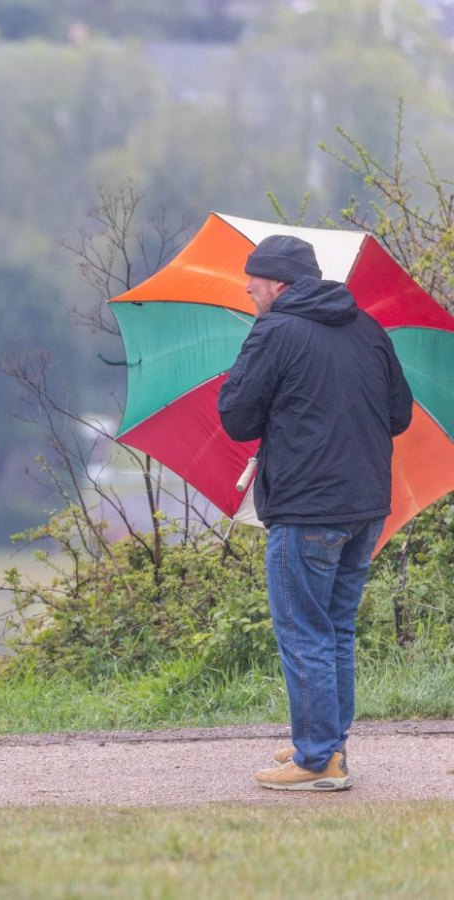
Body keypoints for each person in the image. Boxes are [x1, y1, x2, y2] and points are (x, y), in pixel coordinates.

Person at [218, 234, 413, 792]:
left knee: (304, 632)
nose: (248, 286)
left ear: (278, 282)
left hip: (306, 510)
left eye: (253, 277)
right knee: (334, 630)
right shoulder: (369, 330)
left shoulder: (275, 331)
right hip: (365, 508)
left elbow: (235, 417)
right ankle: (325, 744)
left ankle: (317, 760)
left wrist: (271, 400)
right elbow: (397, 415)